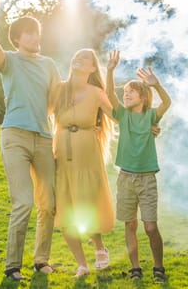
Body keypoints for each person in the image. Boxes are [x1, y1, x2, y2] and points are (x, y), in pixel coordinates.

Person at [0, 0, 61, 281]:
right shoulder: (9, 61)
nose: (35, 36)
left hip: (43, 138)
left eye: (37, 31)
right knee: (23, 202)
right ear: (17, 38)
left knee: (48, 204)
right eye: (29, 33)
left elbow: (57, 100)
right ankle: (12, 265)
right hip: (15, 136)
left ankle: (41, 260)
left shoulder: (49, 65)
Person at [106, 50, 172, 283]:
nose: (126, 95)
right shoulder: (122, 116)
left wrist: (157, 85)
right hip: (125, 178)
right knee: (130, 224)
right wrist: (110, 70)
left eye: (131, 91)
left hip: (146, 179)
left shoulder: (152, 117)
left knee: (151, 227)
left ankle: (158, 267)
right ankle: (135, 268)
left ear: (143, 96)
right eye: (125, 92)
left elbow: (167, 102)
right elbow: (108, 94)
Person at [52, 48, 115, 277]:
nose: (78, 59)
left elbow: (118, 116)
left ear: (92, 68)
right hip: (62, 152)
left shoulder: (96, 92)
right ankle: (81, 264)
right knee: (65, 205)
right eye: (76, 56)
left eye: (85, 58)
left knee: (87, 201)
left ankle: (99, 247)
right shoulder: (59, 89)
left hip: (88, 154)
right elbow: (41, 110)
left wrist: (147, 125)